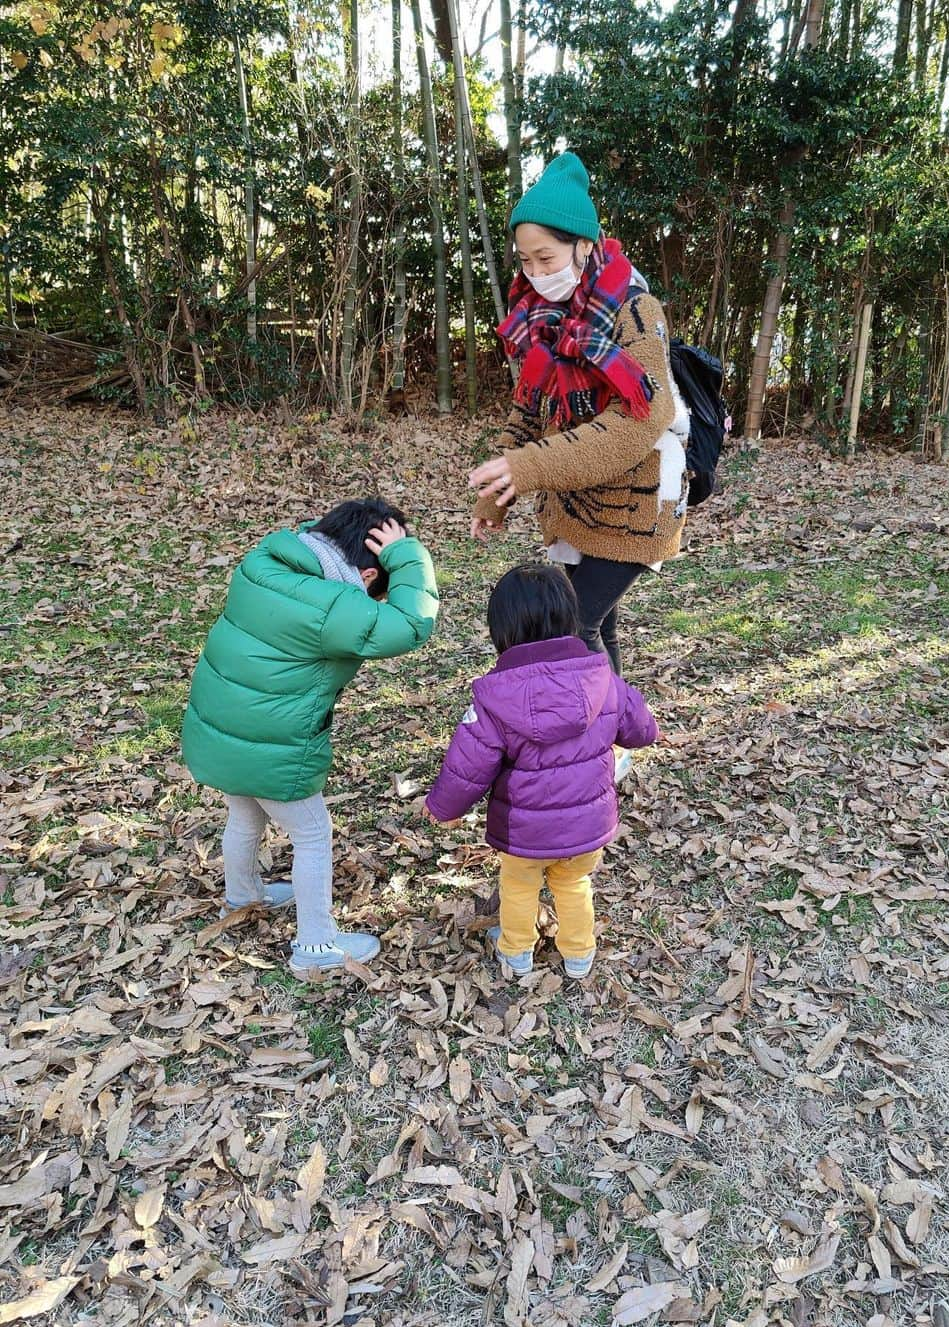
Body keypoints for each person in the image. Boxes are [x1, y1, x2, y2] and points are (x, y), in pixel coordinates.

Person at [469, 151, 688, 783]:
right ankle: (613, 744)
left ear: (584, 246)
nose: (537, 274)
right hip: (578, 500)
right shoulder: (545, 316)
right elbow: (529, 409)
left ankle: (598, 750)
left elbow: (642, 417)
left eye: (549, 258)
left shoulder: (634, 311)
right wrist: (498, 493)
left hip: (638, 497)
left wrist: (530, 467)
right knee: (599, 624)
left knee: (578, 624)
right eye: (526, 260)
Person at [181, 498, 439, 979]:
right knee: (312, 833)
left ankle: (243, 895)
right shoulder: (336, 603)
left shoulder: (267, 561)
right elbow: (411, 626)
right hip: (271, 742)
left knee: (244, 810)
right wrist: (408, 557)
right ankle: (316, 945)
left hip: (221, 726)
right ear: (365, 578)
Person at [423, 564, 657, 981]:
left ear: (503, 631)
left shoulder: (494, 697)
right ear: (571, 617)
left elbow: (468, 765)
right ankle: (580, 955)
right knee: (573, 885)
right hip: (588, 824)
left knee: (518, 887)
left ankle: (516, 953)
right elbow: (643, 731)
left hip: (524, 831)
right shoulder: (603, 679)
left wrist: (442, 807)